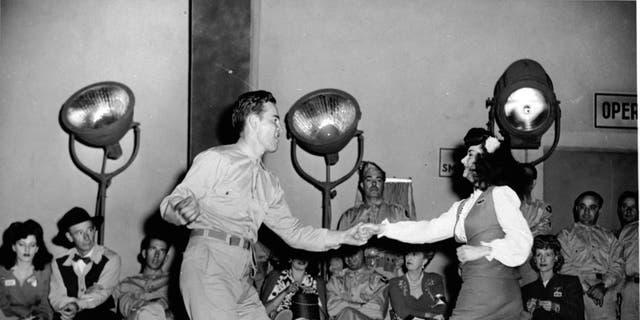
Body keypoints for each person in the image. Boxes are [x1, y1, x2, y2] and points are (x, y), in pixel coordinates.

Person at [159, 90, 369, 320]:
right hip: (210, 265)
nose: (281, 128)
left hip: (242, 274)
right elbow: (172, 202)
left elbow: (295, 233)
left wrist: (345, 236)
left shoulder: (269, 182)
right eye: (274, 120)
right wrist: (179, 212)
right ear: (252, 121)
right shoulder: (218, 159)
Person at [359, 127, 533, 320]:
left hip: (494, 289)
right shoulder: (463, 207)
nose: (462, 160)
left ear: (486, 160)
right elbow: (427, 229)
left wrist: (485, 250)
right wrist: (383, 228)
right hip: (475, 284)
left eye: (470, 154)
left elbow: (523, 242)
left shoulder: (500, 194)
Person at [337, 161, 410, 280]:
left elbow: (413, 247)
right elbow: (339, 253)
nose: (374, 184)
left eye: (379, 180)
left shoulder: (398, 213)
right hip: (358, 283)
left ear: (383, 185)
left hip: (392, 279)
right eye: (369, 180)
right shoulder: (349, 217)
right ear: (361, 185)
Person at [557, 191, 623, 320]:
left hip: (603, 291)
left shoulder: (609, 237)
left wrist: (603, 286)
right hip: (575, 290)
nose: (587, 212)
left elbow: (618, 265)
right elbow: (564, 266)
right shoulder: (565, 235)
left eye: (592, 207)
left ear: (600, 211)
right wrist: (587, 288)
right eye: (582, 207)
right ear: (576, 209)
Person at [49, 207, 121, 320]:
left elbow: (99, 296)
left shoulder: (111, 259)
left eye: (90, 230)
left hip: (102, 315)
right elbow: (56, 296)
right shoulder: (58, 263)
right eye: (79, 233)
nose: (87, 237)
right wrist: (67, 308)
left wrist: (77, 304)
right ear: (69, 237)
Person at [521, 235, 584, 320]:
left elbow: (578, 315)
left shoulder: (570, 282)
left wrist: (555, 307)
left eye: (548, 255)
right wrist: (528, 311)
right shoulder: (526, 290)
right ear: (535, 259)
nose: (542, 259)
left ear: (556, 258)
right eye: (539, 255)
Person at [0, 220, 54, 320]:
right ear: (13, 247)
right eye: (21, 244)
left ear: (37, 248)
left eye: (32, 245)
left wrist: (38, 318)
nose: (27, 250)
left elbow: (46, 307)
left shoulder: (45, 270)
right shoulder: (2, 271)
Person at [114, 234, 174, 320]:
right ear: (144, 253)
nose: (157, 255)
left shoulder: (174, 282)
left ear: (166, 258)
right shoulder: (126, 283)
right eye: (153, 249)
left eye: (162, 251)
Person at [260, 250, 327, 320]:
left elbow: (322, 318)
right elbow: (263, 312)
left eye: (305, 256)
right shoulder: (276, 277)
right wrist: (285, 292)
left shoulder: (316, 282)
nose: (302, 259)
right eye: (298, 255)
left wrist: (311, 298)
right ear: (290, 259)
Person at [326, 247, 387, 320]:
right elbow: (332, 308)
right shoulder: (336, 280)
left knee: (348, 312)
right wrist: (361, 305)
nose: (350, 259)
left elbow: (377, 311)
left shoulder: (378, 280)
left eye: (354, 254)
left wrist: (345, 305)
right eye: (347, 255)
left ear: (364, 252)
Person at [388, 245, 446, 320]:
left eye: (414, 255)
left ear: (424, 261)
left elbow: (441, 306)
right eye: (408, 254)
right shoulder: (394, 283)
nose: (409, 258)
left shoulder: (435, 279)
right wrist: (429, 315)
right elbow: (402, 311)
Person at [518, 163, 553, 285]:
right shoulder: (504, 207)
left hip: (531, 265)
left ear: (533, 183)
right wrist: (531, 227)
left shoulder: (542, 208)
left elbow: (540, 239)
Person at [615, 191, 638, 320]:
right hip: (629, 288)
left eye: (633, 207)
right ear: (619, 209)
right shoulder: (616, 234)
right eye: (625, 206)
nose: (628, 211)